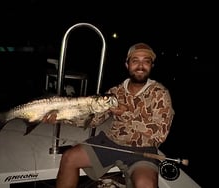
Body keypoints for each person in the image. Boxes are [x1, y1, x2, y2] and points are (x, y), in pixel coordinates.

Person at [43, 42, 175, 188]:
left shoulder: (160, 93)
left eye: (146, 61)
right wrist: (62, 117)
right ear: (127, 64)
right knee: (69, 157)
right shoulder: (115, 92)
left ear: (152, 65)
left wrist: (125, 114)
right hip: (111, 142)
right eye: (135, 61)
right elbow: (94, 120)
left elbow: (160, 134)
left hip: (143, 150)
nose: (140, 66)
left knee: (146, 184)